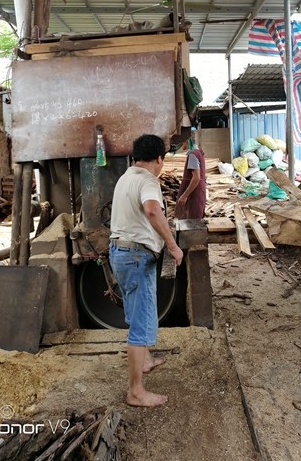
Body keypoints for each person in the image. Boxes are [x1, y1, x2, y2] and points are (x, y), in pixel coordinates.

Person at [109, 134, 183, 408]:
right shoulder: (147, 180)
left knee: (135, 313)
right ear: (159, 159)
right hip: (137, 256)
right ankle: (136, 392)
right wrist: (173, 246)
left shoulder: (126, 177)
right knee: (141, 324)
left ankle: (146, 360)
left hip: (120, 253)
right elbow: (152, 210)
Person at [174, 136, 206, 220]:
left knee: (191, 218)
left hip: (194, 192)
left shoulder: (192, 154)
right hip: (198, 189)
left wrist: (185, 195)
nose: (182, 145)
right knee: (195, 217)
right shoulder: (199, 152)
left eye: (183, 142)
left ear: (188, 142)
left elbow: (196, 178)